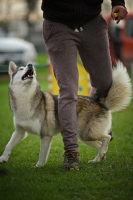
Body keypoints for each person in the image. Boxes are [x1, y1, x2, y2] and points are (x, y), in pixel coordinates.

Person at [41, 0, 128, 171]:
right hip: (58, 24)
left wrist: (119, 2)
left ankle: (97, 120)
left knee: (104, 83)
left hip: (92, 22)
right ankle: (71, 152)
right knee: (68, 91)